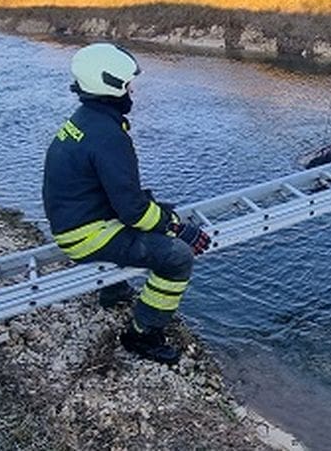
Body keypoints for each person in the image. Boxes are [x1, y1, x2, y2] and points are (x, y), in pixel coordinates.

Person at [42, 43, 210, 366]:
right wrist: (178, 229)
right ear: (111, 86)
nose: (132, 89)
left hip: (75, 220)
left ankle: (114, 292)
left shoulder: (85, 120)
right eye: (128, 83)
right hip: (86, 235)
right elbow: (132, 211)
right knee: (177, 258)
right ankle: (142, 334)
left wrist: (161, 215)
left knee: (158, 210)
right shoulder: (109, 137)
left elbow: (118, 198)